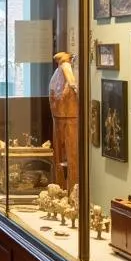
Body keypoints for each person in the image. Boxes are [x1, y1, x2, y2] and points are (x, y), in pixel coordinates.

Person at [49, 51, 79, 193]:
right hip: (65, 115)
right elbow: (72, 83)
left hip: (65, 114)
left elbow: (71, 84)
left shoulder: (60, 70)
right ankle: (66, 189)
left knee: (66, 155)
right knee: (68, 154)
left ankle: (68, 189)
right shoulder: (64, 68)